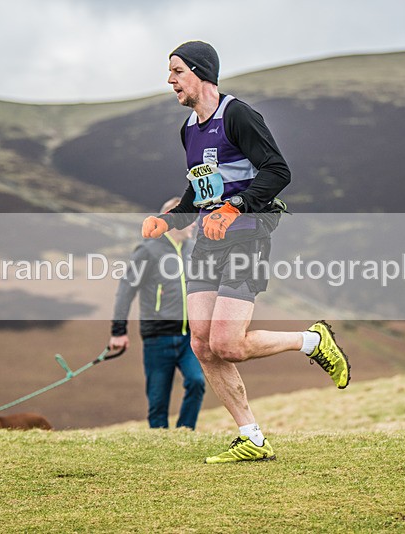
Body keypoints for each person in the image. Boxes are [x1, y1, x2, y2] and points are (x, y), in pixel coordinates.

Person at [142, 41, 351, 463]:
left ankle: (312, 341)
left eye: (177, 71)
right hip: (207, 238)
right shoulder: (188, 129)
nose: (170, 80)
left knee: (229, 344)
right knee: (202, 344)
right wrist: (170, 220)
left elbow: (278, 171)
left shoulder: (237, 115)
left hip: (248, 233)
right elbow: (201, 190)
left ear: (199, 72)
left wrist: (235, 207)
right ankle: (252, 437)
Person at [110, 197, 205, 430]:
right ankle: (159, 440)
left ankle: (185, 432)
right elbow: (126, 289)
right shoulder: (147, 250)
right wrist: (118, 331)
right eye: (189, 219)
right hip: (157, 337)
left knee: (197, 382)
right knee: (158, 400)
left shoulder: (193, 250)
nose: (194, 224)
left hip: (188, 337)